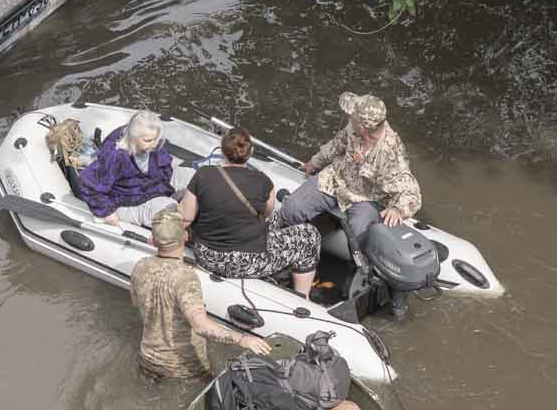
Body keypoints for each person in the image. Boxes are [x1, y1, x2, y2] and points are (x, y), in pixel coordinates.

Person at [276, 90, 425, 314]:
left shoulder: (390, 152)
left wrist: (397, 208)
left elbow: (411, 192)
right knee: (292, 208)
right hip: (336, 179)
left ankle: (359, 278)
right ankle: (285, 251)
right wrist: (313, 163)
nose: (348, 119)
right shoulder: (353, 129)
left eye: (352, 117)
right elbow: (336, 145)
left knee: (359, 233)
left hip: (366, 197)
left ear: (364, 126)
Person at [127, 208, 271, 379]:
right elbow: (200, 325)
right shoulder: (186, 277)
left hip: (147, 361)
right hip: (184, 368)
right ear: (185, 236)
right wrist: (241, 339)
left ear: (153, 241)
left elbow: (136, 303)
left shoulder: (140, 266)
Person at [180, 127, 321, 297]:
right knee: (309, 235)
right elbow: (268, 215)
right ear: (251, 151)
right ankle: (301, 298)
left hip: (208, 256)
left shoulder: (203, 175)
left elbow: (185, 218)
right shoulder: (263, 181)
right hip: (247, 262)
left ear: (223, 149)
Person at [76, 110, 180, 228]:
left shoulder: (153, 143)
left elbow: (165, 164)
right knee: (172, 211)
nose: (154, 144)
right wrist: (107, 212)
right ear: (133, 137)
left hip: (156, 185)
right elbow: (87, 183)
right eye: (148, 141)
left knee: (192, 177)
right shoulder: (116, 156)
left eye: (156, 139)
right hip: (128, 198)